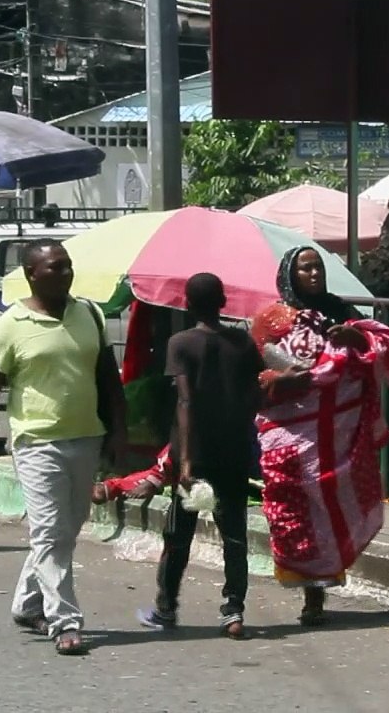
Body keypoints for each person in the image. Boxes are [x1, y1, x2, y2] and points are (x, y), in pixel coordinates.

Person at [0, 239, 126, 655]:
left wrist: (119, 430)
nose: (65, 274)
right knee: (48, 532)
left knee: (67, 528)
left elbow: (107, 378)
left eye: (67, 266)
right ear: (32, 274)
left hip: (87, 436)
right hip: (37, 442)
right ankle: (64, 620)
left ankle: (27, 603)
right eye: (55, 268)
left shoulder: (89, 314)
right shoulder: (9, 327)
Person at [251, 247, 389, 624]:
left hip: (340, 432)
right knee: (296, 505)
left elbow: (374, 350)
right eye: (305, 268)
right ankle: (309, 589)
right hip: (291, 430)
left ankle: (319, 591)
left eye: (317, 267)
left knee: (330, 506)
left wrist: (354, 341)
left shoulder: (342, 312)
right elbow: (255, 371)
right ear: (290, 274)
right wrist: (285, 377)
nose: (312, 274)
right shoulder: (269, 318)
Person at [136, 273, 263, 640]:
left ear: (187, 304)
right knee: (234, 535)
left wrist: (186, 460)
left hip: (196, 453)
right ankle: (233, 609)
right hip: (235, 450)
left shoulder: (181, 343)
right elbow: (256, 394)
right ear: (223, 301)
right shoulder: (242, 342)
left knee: (178, 535)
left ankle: (166, 607)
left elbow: (185, 400)